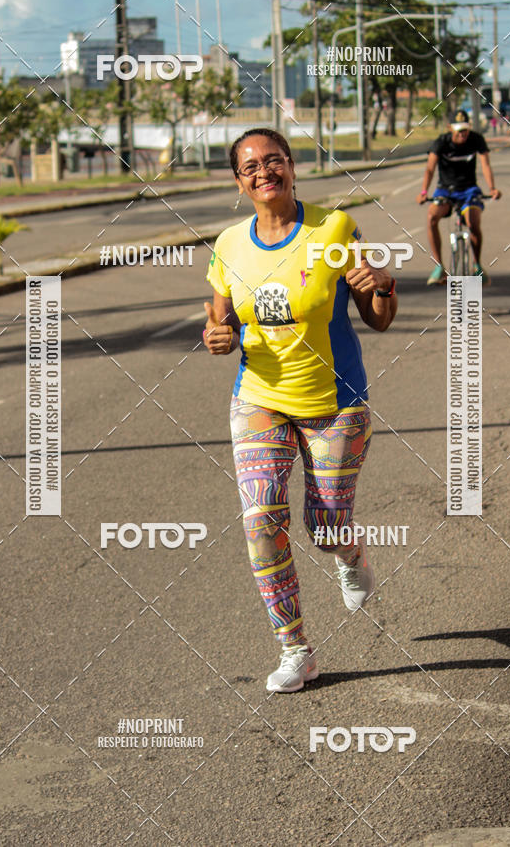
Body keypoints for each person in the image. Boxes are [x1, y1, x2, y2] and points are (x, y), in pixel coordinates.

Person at [203, 127, 397, 693]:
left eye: (274, 160)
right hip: (259, 398)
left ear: (292, 166)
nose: (264, 172)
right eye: (250, 167)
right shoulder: (228, 245)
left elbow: (378, 319)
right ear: (239, 182)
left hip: (336, 403)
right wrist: (216, 337)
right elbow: (220, 321)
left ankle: (349, 554)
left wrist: (383, 286)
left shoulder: (335, 228)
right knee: (261, 519)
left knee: (326, 526)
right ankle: (295, 650)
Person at [416, 109, 501, 285]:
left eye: (465, 129)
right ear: (450, 128)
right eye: (459, 130)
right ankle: (439, 266)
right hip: (445, 190)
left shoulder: (476, 139)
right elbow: (430, 168)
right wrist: (424, 192)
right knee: (432, 217)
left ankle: (477, 265)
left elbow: (486, 165)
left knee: (473, 222)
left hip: (469, 190)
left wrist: (492, 188)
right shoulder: (441, 142)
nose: (463, 134)